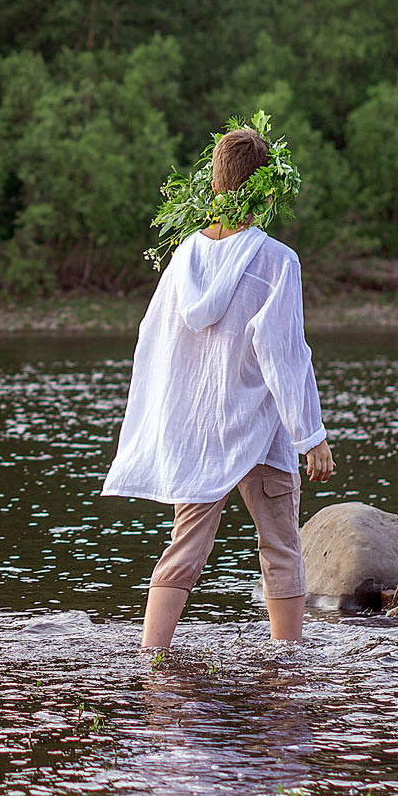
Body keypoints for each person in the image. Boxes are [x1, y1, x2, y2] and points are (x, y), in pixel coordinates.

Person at [103, 125, 335, 649]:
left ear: (213, 187)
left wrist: (165, 420)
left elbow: (154, 339)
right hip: (260, 424)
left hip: (201, 428)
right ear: (268, 190)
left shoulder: (183, 258)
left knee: (185, 546)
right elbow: (284, 354)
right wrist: (310, 435)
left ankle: (151, 657)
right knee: (280, 544)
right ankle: (288, 664)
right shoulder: (277, 261)